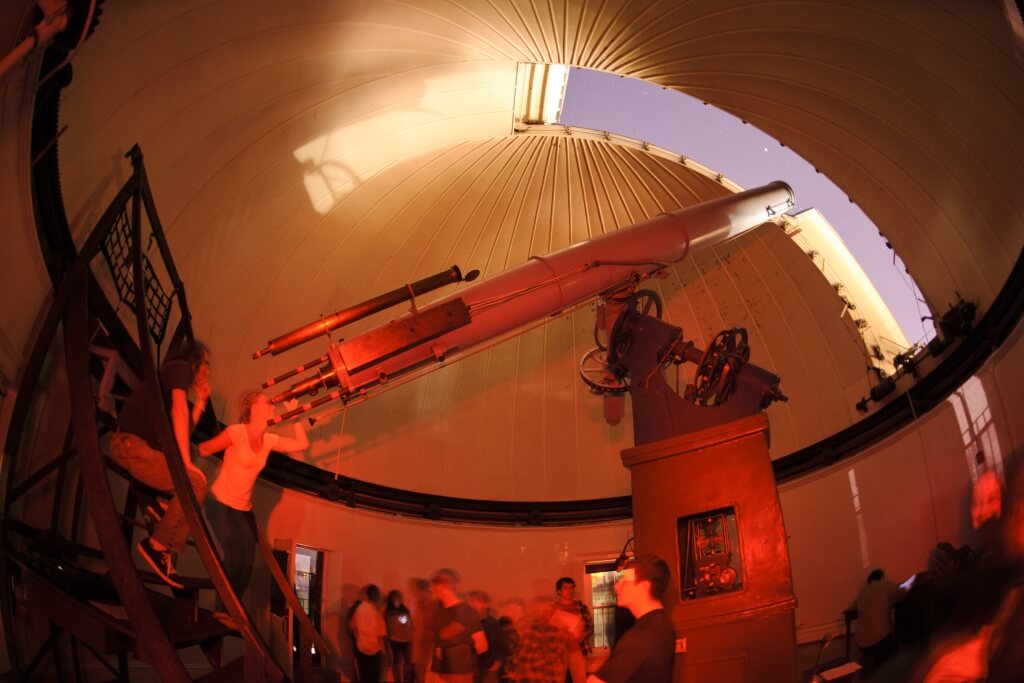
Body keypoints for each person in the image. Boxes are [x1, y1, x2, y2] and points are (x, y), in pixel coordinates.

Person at [110, 340, 211, 588]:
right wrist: (187, 464)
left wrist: (200, 404)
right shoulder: (179, 367)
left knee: (192, 484)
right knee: (196, 483)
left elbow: (181, 432)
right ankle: (157, 545)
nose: (208, 371)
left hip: (135, 447)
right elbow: (179, 410)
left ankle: (163, 509)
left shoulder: (169, 384)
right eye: (206, 363)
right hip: (130, 445)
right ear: (195, 360)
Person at [197, 391, 308, 601]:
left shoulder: (268, 440)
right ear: (253, 408)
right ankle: (222, 609)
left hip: (242, 508)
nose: (273, 407)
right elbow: (204, 449)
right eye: (268, 403)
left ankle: (232, 610)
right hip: (219, 503)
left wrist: (294, 414)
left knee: (247, 560)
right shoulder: (237, 432)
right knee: (234, 556)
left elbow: (301, 444)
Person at [587, 555, 675, 683]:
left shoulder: (641, 637)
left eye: (624, 581)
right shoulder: (662, 623)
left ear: (643, 587)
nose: (616, 587)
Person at [427, 568, 488, 683]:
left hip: (459, 675)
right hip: (439, 673)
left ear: (440, 587)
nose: (431, 590)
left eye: (432, 587)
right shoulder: (437, 609)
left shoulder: (467, 613)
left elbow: (482, 646)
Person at [854, 569, 904, 676]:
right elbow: (901, 593)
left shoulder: (862, 592)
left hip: (861, 642)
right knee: (891, 649)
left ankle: (869, 658)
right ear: (881, 578)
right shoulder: (884, 585)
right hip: (880, 639)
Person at [545, 577, 593, 683]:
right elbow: (545, 630)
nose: (570, 591)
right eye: (566, 588)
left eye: (572, 588)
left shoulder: (581, 607)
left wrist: (581, 637)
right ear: (559, 591)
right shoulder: (552, 608)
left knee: (580, 680)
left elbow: (590, 626)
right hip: (558, 652)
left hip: (577, 651)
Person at [468, 590, 507, 683]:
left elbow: (502, 648)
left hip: (487, 670)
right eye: (471, 602)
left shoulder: (493, 624)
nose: (473, 605)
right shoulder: (467, 623)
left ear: (486, 604)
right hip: (471, 669)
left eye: (477, 602)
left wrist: (494, 668)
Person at [351, 584, 388, 683]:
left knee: (364, 676)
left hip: (361, 647)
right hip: (375, 649)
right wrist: (384, 653)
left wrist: (358, 640)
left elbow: (352, 627)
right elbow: (381, 636)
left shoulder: (359, 609)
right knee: (374, 677)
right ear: (377, 597)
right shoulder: (377, 613)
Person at [386, 589, 415, 683]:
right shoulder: (387, 612)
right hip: (394, 641)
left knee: (408, 663)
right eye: (394, 598)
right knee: (396, 664)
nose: (397, 600)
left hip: (406, 640)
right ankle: (398, 681)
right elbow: (386, 627)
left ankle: (407, 680)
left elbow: (410, 624)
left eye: (398, 598)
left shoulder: (405, 610)